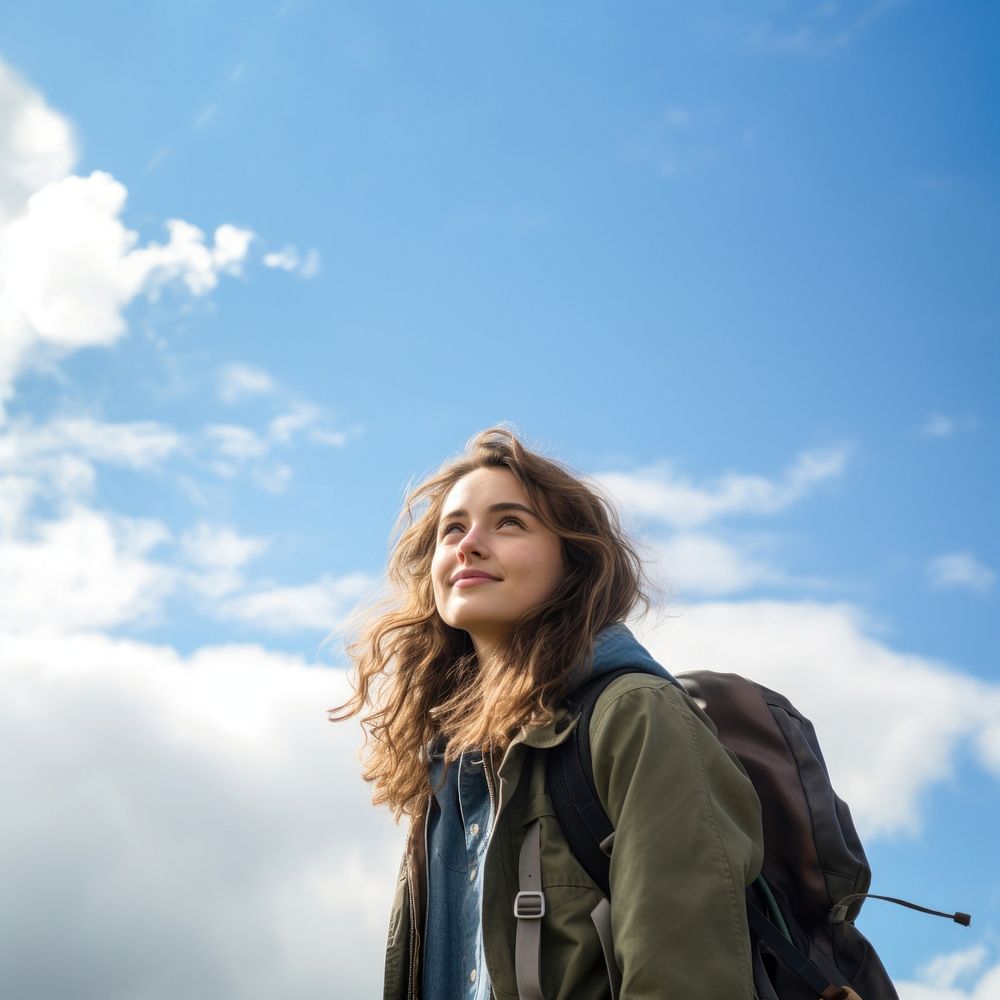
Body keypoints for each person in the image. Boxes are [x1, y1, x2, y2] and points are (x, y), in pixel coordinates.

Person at [330, 426, 764, 1000]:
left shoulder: (635, 714)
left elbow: (687, 977)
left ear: (574, 563)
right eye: (452, 529)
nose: (469, 544)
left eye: (509, 522)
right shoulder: (447, 774)